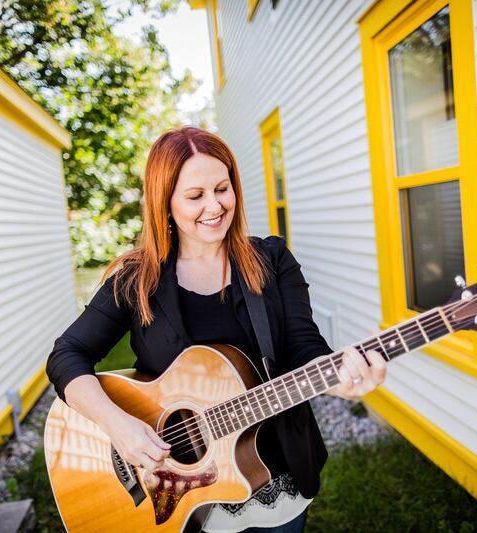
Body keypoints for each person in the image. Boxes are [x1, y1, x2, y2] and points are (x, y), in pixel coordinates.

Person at [46, 126, 387, 532]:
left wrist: (338, 377)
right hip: (180, 496)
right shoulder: (136, 279)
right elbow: (66, 354)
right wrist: (118, 426)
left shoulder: (272, 260)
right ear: (164, 203)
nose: (214, 206)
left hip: (277, 474)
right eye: (194, 196)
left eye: (222, 189)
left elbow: (303, 346)